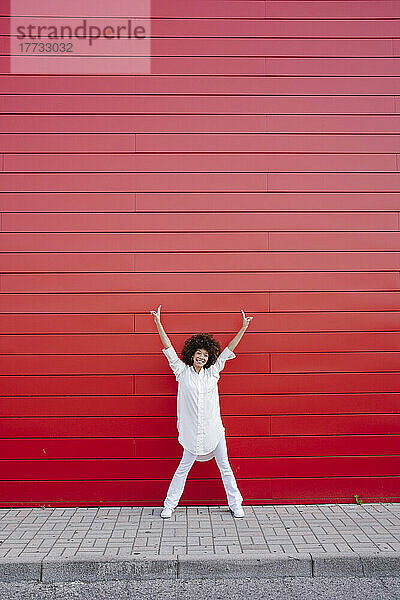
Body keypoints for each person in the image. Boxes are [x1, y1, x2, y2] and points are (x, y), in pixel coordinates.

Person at [150, 304, 253, 519]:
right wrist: (158, 323)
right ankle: (169, 505)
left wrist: (243, 328)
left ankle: (236, 504)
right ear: (192, 354)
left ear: (209, 357)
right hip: (191, 433)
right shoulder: (181, 371)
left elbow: (229, 351)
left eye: (205, 355)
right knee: (183, 468)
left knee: (225, 467)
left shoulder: (213, 372)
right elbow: (168, 348)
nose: (201, 357)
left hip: (214, 431)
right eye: (198, 353)